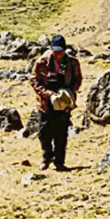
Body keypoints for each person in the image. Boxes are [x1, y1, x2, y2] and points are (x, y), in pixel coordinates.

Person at [30, 35, 82, 171]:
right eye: (55, 51)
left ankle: (59, 162)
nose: (58, 54)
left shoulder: (72, 63)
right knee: (44, 133)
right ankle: (46, 159)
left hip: (63, 103)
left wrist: (69, 92)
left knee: (61, 134)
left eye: (60, 51)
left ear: (65, 50)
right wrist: (49, 94)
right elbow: (34, 81)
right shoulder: (42, 62)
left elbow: (77, 78)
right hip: (45, 104)